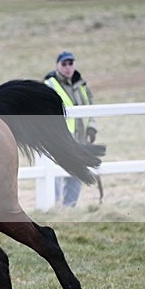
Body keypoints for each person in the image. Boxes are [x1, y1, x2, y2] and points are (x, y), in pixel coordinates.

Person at [43, 51, 97, 207]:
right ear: (57, 65)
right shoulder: (50, 85)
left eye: (70, 64)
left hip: (79, 138)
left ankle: (69, 208)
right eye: (64, 64)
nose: (67, 68)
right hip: (59, 139)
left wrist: (91, 128)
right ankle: (54, 207)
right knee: (56, 175)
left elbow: (90, 107)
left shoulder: (81, 85)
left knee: (77, 174)